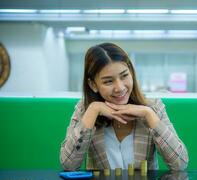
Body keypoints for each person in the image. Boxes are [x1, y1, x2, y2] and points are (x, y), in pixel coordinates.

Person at [60, 43, 189, 171]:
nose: (120, 87)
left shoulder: (153, 107)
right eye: (108, 81)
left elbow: (180, 164)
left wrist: (148, 114)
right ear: (93, 85)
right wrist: (93, 109)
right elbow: (68, 165)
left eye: (124, 76)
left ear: (131, 73)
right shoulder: (85, 110)